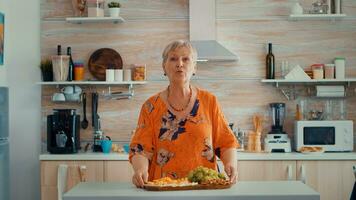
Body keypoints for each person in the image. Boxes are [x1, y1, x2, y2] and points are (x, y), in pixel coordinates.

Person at [129, 40, 239, 188]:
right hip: (163, 189)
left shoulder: (210, 102)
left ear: (194, 67)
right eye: (173, 58)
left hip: (205, 187)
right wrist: (140, 169)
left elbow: (226, 143)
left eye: (186, 59)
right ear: (164, 66)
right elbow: (140, 150)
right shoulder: (150, 106)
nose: (179, 64)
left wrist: (231, 164)